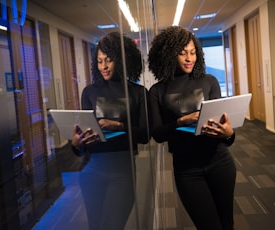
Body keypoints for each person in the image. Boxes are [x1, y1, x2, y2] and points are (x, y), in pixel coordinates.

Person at [148, 26, 236, 230]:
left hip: (220, 162)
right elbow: (158, 135)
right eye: (182, 53)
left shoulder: (209, 81)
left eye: (193, 52)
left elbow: (223, 128)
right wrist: (180, 122)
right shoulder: (157, 91)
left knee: (227, 224)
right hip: (187, 170)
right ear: (169, 55)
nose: (189, 58)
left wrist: (229, 134)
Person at [71, 31, 149, 230]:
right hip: (90, 170)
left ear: (122, 60)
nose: (103, 66)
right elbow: (84, 140)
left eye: (108, 60)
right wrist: (77, 145)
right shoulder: (89, 92)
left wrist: (119, 126)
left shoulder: (138, 93)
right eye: (99, 61)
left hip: (122, 172)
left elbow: (145, 134)